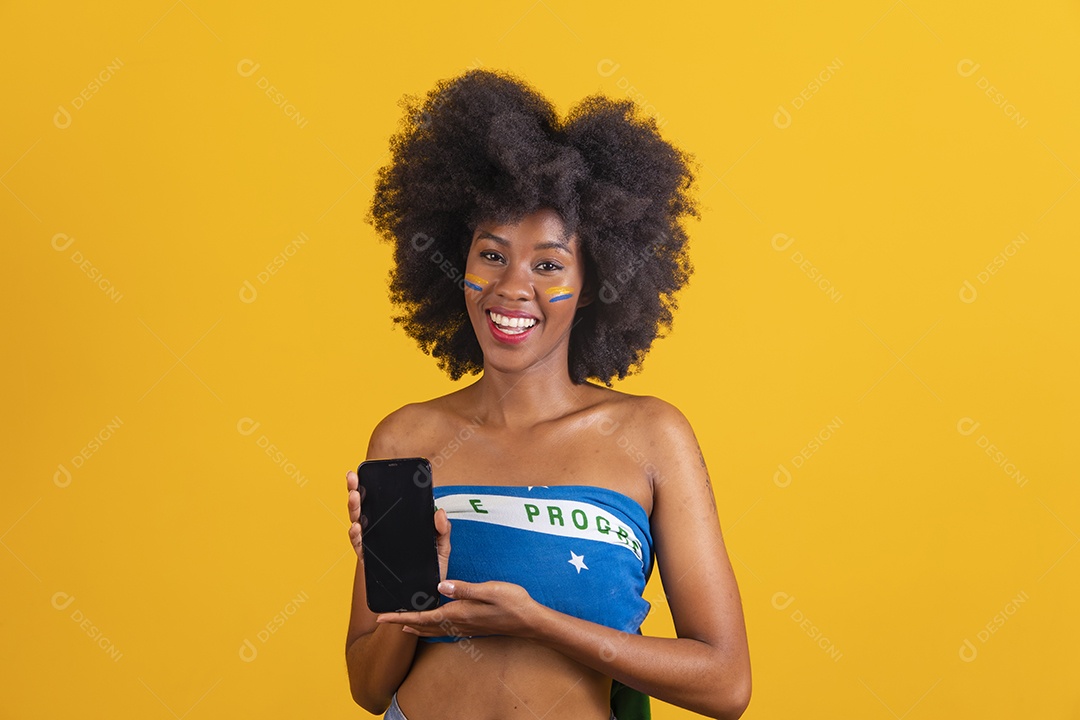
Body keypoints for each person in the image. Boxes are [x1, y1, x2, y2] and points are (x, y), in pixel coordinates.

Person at [345, 68, 751, 720]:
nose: (512, 287)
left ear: (590, 285)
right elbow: (368, 687)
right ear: (457, 263)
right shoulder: (406, 437)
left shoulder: (651, 435)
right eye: (492, 255)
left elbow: (726, 683)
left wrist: (537, 622)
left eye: (549, 265)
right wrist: (415, 593)